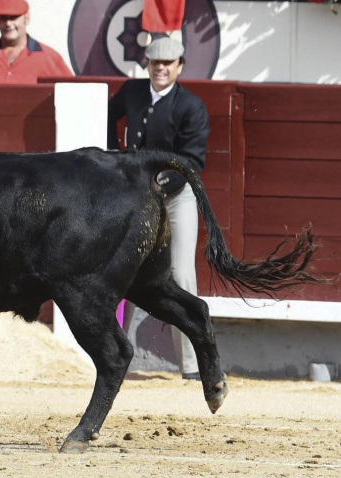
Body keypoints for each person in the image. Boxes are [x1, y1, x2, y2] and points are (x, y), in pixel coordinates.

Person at [107, 36, 210, 381]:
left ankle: (193, 368)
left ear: (179, 66)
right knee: (123, 274)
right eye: (155, 63)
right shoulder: (132, 92)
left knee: (181, 275)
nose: (161, 68)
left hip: (176, 199)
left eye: (168, 63)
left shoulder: (190, 107)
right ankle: (114, 359)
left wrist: (157, 187)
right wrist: (113, 156)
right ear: (147, 64)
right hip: (136, 201)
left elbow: (192, 162)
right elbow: (107, 115)